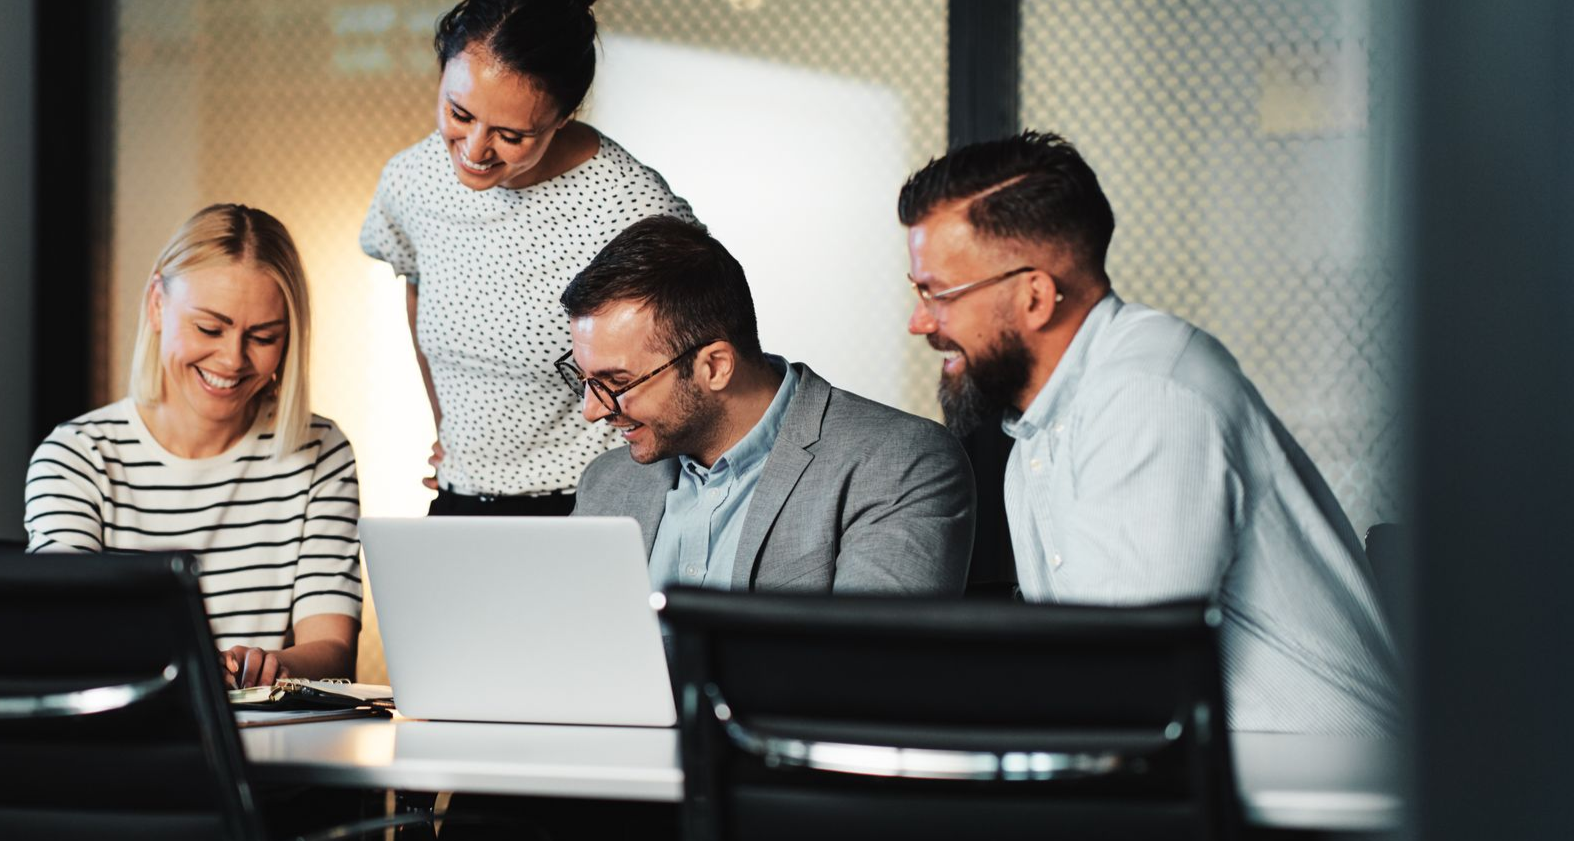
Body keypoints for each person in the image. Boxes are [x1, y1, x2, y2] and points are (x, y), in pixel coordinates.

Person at [898, 131, 1400, 735]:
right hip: (1211, 775)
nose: (919, 321)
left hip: (1320, 789)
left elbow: (1126, 687)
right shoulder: (1035, 437)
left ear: (1035, 297)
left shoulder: (1149, 392)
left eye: (939, 293)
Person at [360, 0, 696, 517]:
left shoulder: (630, 208)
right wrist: (450, 428)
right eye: (459, 113)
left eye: (511, 135)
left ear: (565, 115)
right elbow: (417, 283)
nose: (473, 150)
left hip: (593, 505)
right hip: (460, 497)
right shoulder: (412, 180)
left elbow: (688, 363)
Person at [26, 203, 361, 690]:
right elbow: (63, 630)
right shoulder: (77, 457)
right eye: (209, 328)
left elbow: (333, 650)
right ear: (157, 304)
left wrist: (275, 667)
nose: (232, 359)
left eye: (263, 337)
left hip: (270, 750)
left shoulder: (321, 453)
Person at [564, 216, 975, 594]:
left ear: (716, 366)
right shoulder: (606, 483)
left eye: (617, 382)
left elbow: (870, 663)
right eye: (584, 380)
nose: (592, 410)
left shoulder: (898, 463)